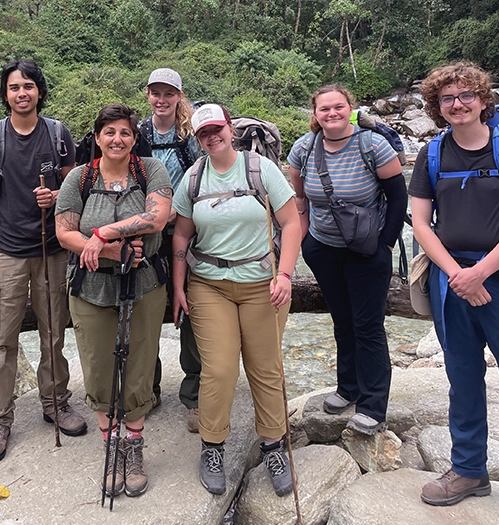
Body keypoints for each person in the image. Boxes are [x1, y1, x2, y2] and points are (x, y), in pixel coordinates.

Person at [409, 62, 499, 518]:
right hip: (453, 284)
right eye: (447, 98)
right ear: (437, 107)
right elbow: (421, 224)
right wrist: (456, 275)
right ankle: (469, 470)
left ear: (484, 100)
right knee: (462, 380)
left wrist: (479, 273)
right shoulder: (431, 155)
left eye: (466, 95)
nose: (458, 104)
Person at [172, 103, 300, 497]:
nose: (212, 137)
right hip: (210, 285)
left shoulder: (261, 170)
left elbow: (292, 221)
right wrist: (178, 287)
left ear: (230, 128)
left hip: (264, 284)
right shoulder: (194, 178)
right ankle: (213, 447)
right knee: (220, 369)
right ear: (197, 139)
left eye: (217, 129)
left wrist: (285, 274)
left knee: (265, 368)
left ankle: (275, 444)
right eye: (203, 133)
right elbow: (180, 236)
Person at [0, 59, 83, 465]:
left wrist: (58, 196)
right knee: (2, 339)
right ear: (6, 94)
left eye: (28, 86)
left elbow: (76, 184)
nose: (22, 93)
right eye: (14, 87)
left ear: (40, 91)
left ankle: (56, 402)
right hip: (8, 252)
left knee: (53, 333)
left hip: (52, 249)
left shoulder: (57, 133)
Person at [55, 103, 172, 498]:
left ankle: (134, 447)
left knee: (139, 364)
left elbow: (156, 218)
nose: (117, 139)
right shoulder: (80, 178)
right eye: (110, 133)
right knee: (98, 365)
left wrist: (104, 232)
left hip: (144, 284)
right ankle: (111, 447)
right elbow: (63, 231)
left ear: (134, 139)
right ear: (98, 138)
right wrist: (108, 251)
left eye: (125, 133)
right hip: (91, 287)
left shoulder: (150, 171)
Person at [287, 84, 406, 435]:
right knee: (342, 320)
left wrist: (385, 244)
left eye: (338, 107)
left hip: (367, 250)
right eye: (324, 109)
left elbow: (398, 198)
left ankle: (373, 405)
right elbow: (299, 199)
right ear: (316, 113)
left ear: (350, 108)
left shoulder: (372, 145)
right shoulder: (304, 149)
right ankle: (348, 388)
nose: (332, 114)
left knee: (368, 326)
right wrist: (306, 240)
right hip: (324, 249)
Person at [139, 67, 202, 431]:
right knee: (146, 311)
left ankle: (193, 395)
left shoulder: (190, 134)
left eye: (169, 94)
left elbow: (203, 174)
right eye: (156, 93)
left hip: (188, 229)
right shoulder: (140, 132)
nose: (162, 100)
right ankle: (148, 389)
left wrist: (179, 208)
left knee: (192, 310)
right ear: (148, 94)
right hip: (149, 232)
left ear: (179, 96)